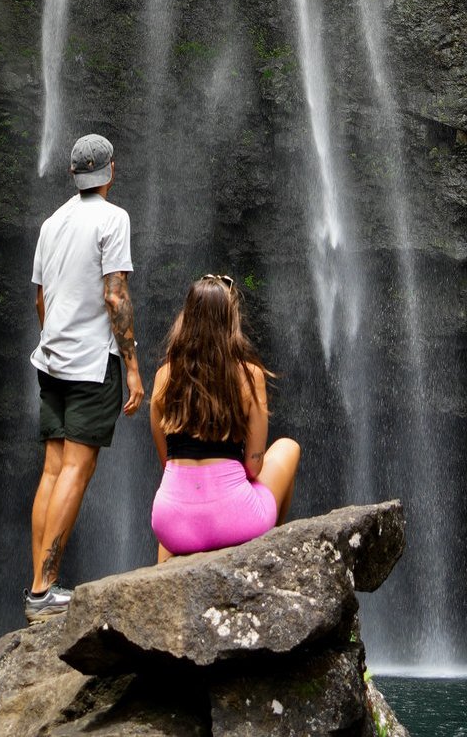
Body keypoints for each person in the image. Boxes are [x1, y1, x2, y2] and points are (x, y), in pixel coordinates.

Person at [26, 132, 144, 620]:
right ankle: (43, 587)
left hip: (51, 361)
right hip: (92, 365)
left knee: (52, 469)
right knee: (77, 468)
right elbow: (115, 295)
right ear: (110, 171)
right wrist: (133, 367)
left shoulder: (52, 222)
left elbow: (40, 298)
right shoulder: (113, 218)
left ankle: (38, 589)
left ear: (75, 174)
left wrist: (56, 338)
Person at [148, 272, 300, 559]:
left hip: (172, 524)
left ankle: (165, 581)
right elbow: (254, 467)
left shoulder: (163, 377)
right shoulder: (248, 374)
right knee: (288, 447)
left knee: (176, 499)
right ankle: (268, 556)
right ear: (231, 321)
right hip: (236, 520)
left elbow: (167, 462)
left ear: (186, 318)